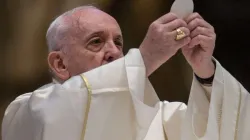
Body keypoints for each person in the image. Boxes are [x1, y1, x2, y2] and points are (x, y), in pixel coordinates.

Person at [1, 5, 249, 140]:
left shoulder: (159, 117)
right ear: (60, 64)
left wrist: (205, 70)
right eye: (96, 42)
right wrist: (147, 57)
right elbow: (60, 115)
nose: (113, 52)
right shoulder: (27, 111)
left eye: (118, 43)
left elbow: (225, 129)